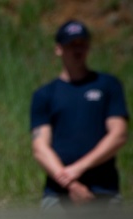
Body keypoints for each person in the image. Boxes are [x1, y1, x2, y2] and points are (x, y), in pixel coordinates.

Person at [31, 19, 129, 208]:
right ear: (59, 49)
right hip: (58, 194)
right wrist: (70, 183)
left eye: (82, 44)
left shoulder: (108, 85)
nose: (77, 50)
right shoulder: (45, 94)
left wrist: (78, 168)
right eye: (71, 45)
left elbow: (118, 135)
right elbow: (40, 148)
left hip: (103, 191)